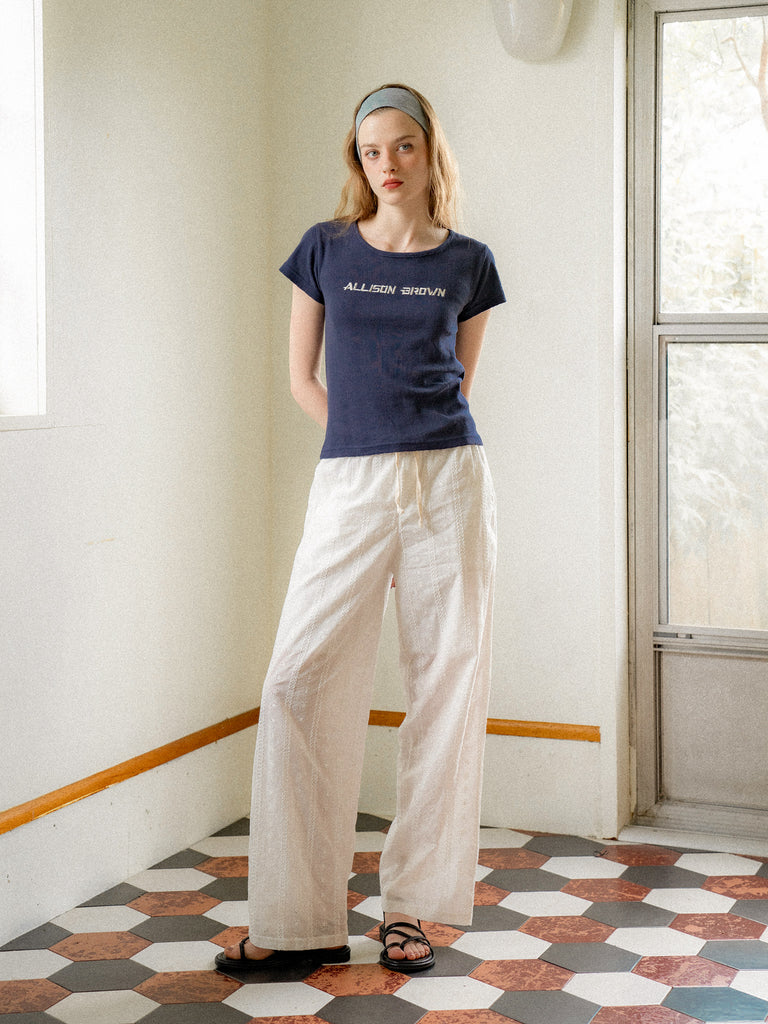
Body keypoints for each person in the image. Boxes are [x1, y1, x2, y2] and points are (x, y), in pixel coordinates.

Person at [215, 83, 505, 976]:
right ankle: (294, 919)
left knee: (445, 687)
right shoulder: (325, 248)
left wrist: (412, 450)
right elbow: (302, 378)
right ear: (358, 160)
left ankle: (409, 910)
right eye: (371, 151)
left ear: (429, 151)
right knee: (297, 680)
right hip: (350, 480)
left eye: (402, 146)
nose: (387, 164)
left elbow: (459, 383)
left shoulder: (470, 262)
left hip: (449, 482)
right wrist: (363, 441)